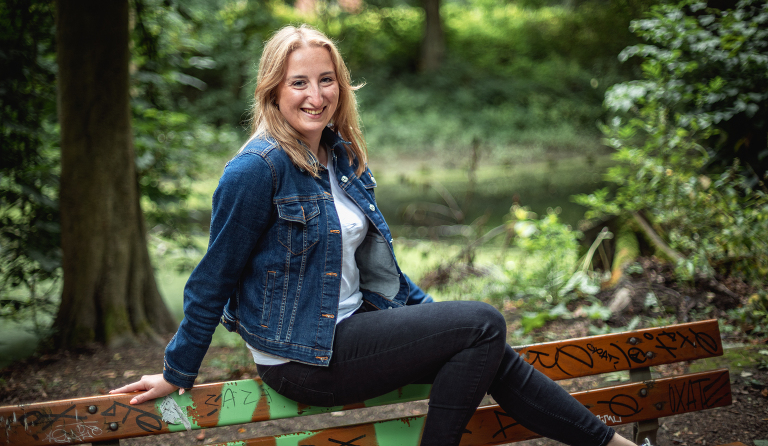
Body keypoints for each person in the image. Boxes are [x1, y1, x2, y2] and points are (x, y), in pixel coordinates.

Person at [113, 25, 638, 446]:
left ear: (340, 85)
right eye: (299, 82)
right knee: (483, 323)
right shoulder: (255, 170)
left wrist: (430, 317)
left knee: (484, 340)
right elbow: (213, 278)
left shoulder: (338, 156)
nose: (315, 96)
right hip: (303, 358)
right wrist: (177, 371)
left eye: (326, 80)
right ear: (273, 89)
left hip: (352, 330)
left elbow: (373, 269)